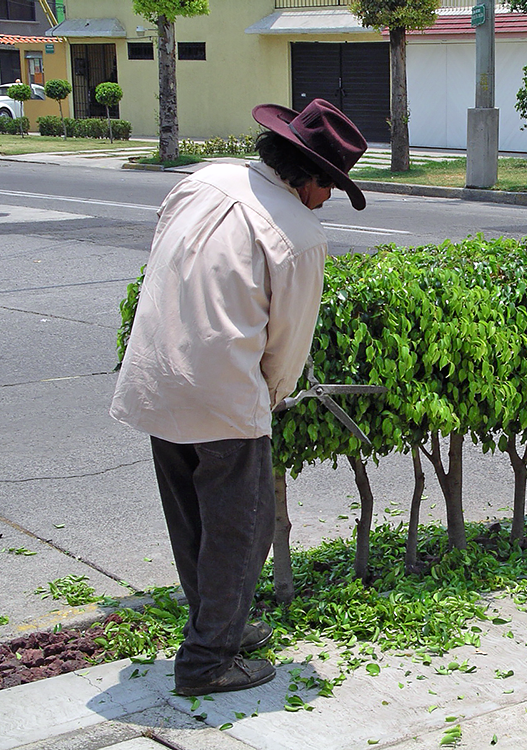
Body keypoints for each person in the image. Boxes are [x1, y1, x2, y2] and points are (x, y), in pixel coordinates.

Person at [109, 99, 368, 696]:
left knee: (192, 521)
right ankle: (207, 662)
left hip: (154, 376)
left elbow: (166, 262)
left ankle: (216, 625)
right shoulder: (299, 233)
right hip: (224, 395)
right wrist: (268, 403)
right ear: (310, 178)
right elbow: (287, 346)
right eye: (330, 187)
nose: (327, 199)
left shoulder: (203, 180)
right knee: (241, 531)